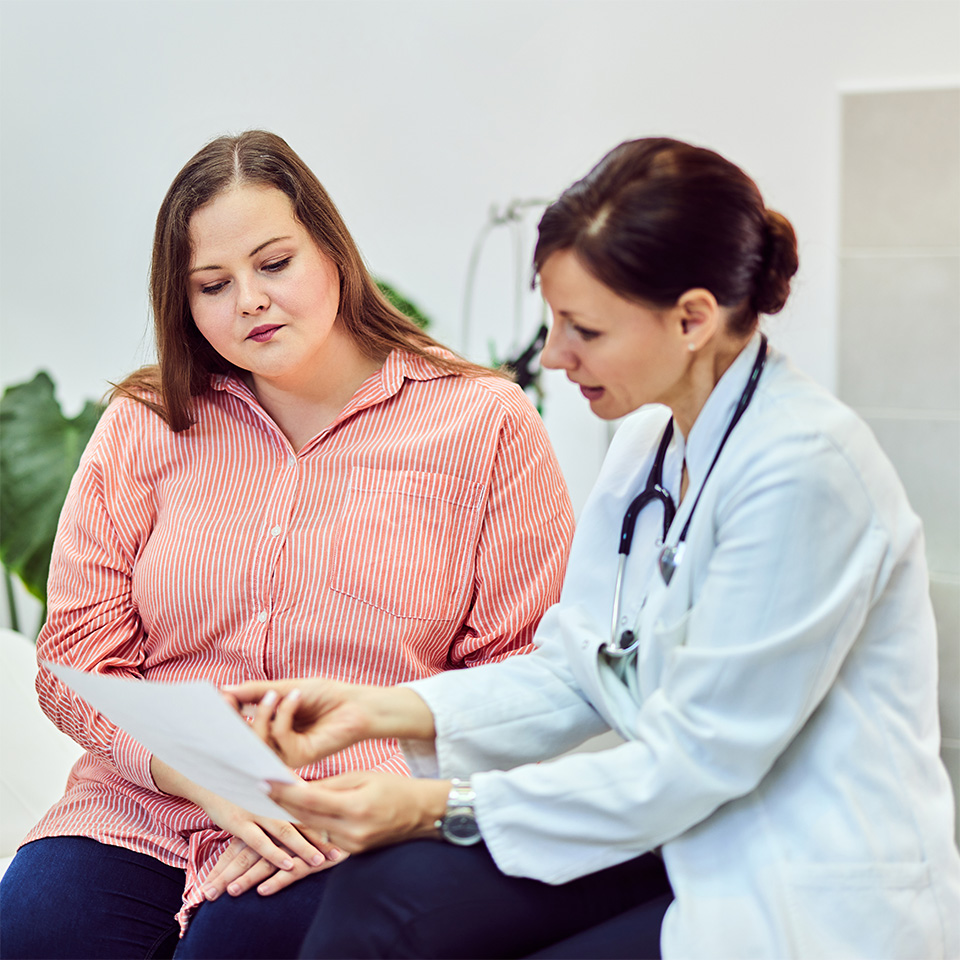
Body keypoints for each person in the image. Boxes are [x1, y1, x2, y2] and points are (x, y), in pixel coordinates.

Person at [229, 137, 960, 960]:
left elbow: (693, 761)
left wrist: (431, 807)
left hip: (791, 877)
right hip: (676, 833)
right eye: (553, 321)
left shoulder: (805, 471)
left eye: (583, 329)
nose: (551, 356)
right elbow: (580, 665)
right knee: (383, 898)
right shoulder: (650, 439)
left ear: (692, 319)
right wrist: (374, 708)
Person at [0, 131, 575, 960]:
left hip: (345, 812)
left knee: (239, 948)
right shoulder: (144, 422)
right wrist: (195, 776)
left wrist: (382, 799)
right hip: (145, 802)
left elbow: (522, 671)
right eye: (213, 283)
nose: (250, 302)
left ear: (332, 253)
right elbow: (75, 656)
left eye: (275, 263)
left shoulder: (483, 422)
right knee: (37, 934)